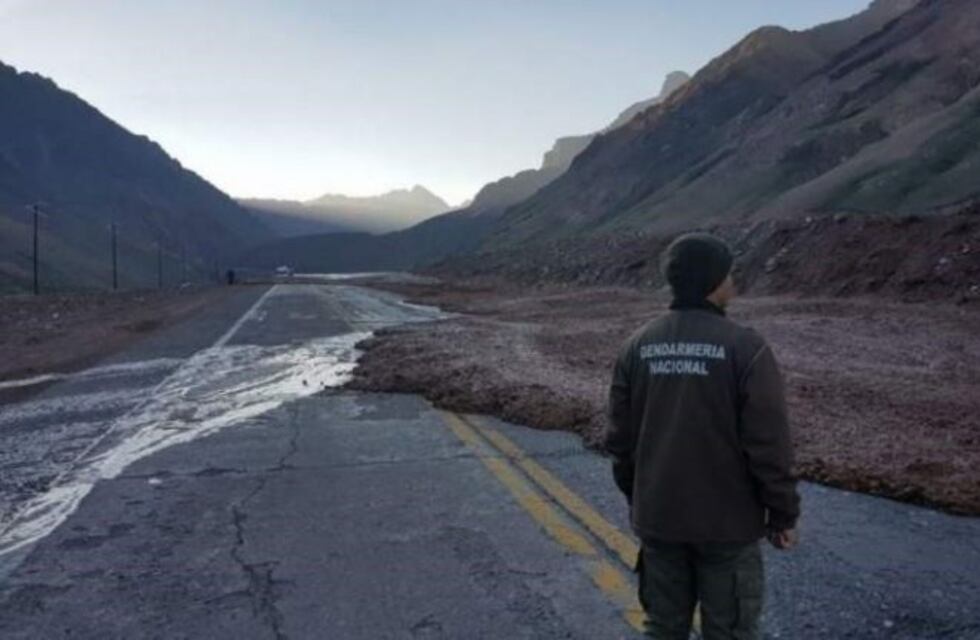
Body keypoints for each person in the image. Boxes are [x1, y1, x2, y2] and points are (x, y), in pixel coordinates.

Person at [605, 232, 801, 640]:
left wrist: (640, 496)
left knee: (663, 628)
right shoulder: (747, 349)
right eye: (729, 274)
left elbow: (620, 441)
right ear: (713, 282)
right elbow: (768, 444)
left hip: (659, 519)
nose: (734, 282)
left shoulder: (637, 346)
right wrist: (782, 512)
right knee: (730, 630)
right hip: (728, 526)